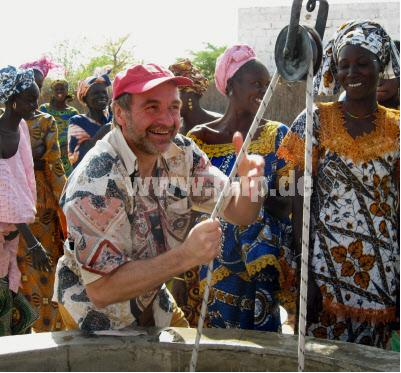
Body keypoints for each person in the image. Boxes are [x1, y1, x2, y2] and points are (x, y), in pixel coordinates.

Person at [53, 63, 266, 332]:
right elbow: (102, 289)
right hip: (94, 317)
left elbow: (240, 212)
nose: (167, 120)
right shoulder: (96, 180)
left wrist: (251, 184)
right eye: (151, 107)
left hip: (152, 300)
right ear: (120, 113)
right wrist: (186, 256)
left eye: (173, 107)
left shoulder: (181, 153)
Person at [278, 20, 400, 348]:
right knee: (319, 357)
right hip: (323, 269)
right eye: (344, 64)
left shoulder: (398, 129)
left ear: (382, 65)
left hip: (381, 273)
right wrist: (306, 273)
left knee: (370, 358)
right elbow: (298, 200)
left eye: (363, 63)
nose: (352, 72)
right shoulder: (312, 121)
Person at [185, 45, 292, 330]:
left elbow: (289, 201)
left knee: (260, 349)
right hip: (209, 259)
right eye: (256, 83)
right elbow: (185, 202)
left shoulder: (277, 135)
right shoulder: (200, 139)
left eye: (267, 85)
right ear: (231, 85)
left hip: (257, 264)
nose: (264, 91)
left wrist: (251, 201)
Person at [15, 59, 67, 332]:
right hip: (17, 205)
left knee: (41, 271)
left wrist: (67, 207)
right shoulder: (11, 119)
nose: (32, 87)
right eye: (28, 82)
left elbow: (54, 166)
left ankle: (44, 333)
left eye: (36, 82)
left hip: (39, 209)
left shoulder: (45, 121)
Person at [0, 66, 51, 336]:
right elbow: (6, 199)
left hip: (11, 234)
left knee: (12, 296)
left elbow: (22, 181)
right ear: (12, 101)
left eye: (36, 98)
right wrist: (33, 243)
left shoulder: (19, 127)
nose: (36, 105)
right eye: (31, 100)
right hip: (7, 229)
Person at [67, 73, 112, 169]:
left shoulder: (111, 117)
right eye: (96, 93)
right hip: (89, 178)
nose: (102, 96)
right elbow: (75, 159)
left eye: (104, 92)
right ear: (85, 99)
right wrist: (104, 131)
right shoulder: (78, 121)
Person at [169, 59, 221, 134]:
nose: (170, 101)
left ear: (190, 94)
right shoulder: (175, 129)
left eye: (175, 94)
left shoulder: (220, 124)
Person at [40, 79, 79, 176]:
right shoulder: (44, 109)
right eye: (56, 89)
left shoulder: (73, 112)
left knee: (68, 184)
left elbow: (77, 134)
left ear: (67, 91)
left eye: (62, 89)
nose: (59, 91)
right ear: (52, 92)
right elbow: (39, 129)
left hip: (67, 156)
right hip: (48, 154)